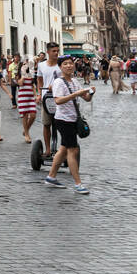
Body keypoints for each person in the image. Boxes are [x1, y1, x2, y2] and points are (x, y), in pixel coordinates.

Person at [44, 57, 94, 194]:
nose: (68, 66)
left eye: (70, 63)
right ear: (60, 67)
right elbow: (58, 101)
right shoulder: (58, 82)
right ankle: (78, 183)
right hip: (63, 120)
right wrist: (76, 94)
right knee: (73, 150)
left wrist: (90, 93)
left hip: (73, 119)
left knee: (64, 149)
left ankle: (51, 177)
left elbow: (86, 98)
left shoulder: (75, 81)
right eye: (65, 64)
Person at [36, 43, 63, 156]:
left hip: (60, 98)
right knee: (46, 124)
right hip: (46, 98)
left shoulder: (62, 65)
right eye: (54, 51)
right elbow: (39, 80)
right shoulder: (41, 65)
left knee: (61, 124)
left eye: (57, 51)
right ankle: (48, 149)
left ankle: (62, 149)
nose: (56, 53)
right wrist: (39, 93)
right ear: (48, 52)